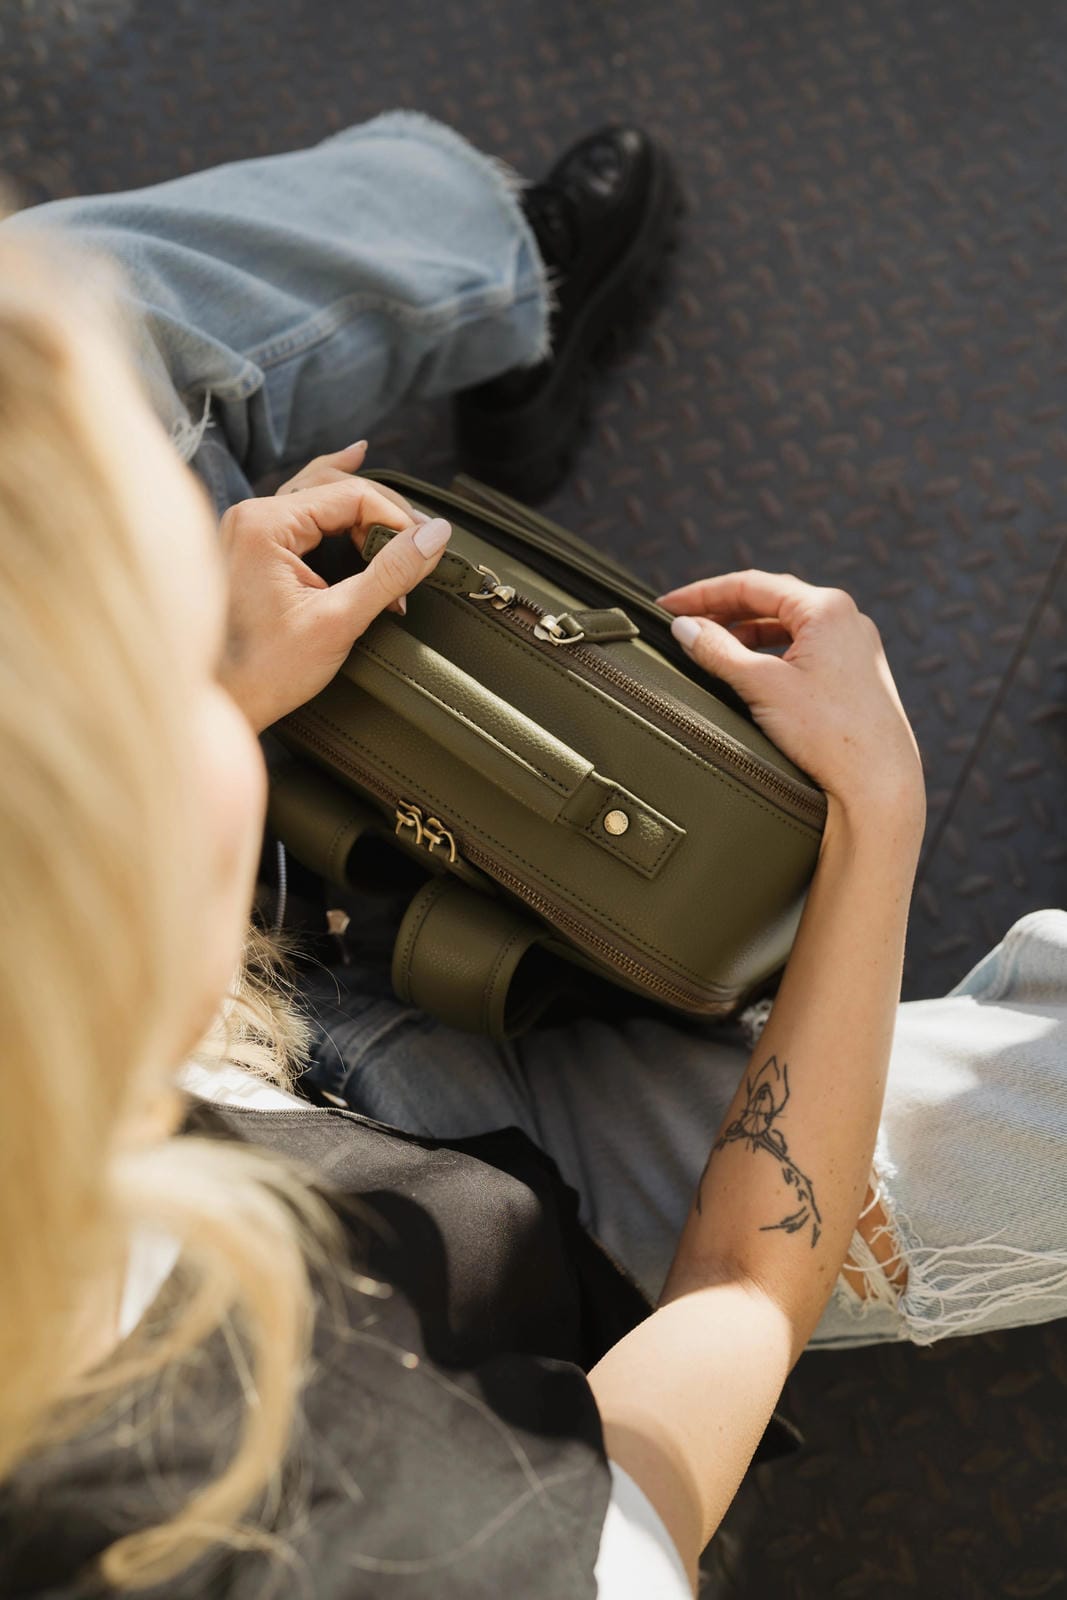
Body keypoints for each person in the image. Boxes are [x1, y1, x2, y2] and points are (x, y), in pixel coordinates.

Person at [0, 113, 1064, 1600]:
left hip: (207, 1012)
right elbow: (740, 1288)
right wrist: (875, 822)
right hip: (506, 1182)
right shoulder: (428, 1543)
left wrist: (220, 701)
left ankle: (505, 271)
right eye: (140, 699)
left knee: (43, 320)